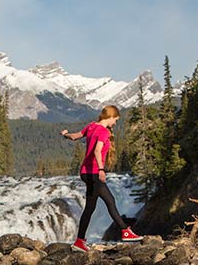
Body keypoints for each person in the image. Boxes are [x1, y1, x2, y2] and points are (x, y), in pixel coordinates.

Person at [60, 105, 143, 252]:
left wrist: (65, 134)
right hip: (94, 173)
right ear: (110, 117)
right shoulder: (104, 132)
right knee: (106, 203)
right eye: (115, 120)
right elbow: (98, 151)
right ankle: (125, 231)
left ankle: (80, 241)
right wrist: (101, 169)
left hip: (85, 172)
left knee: (97, 205)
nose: (115, 123)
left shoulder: (92, 126)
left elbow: (75, 136)